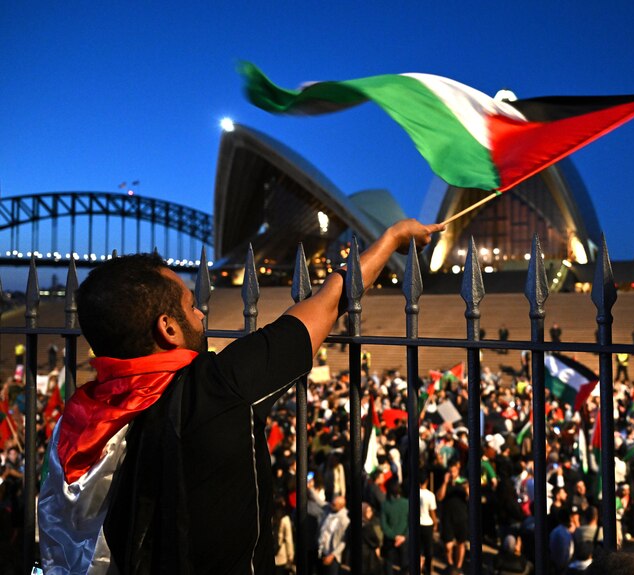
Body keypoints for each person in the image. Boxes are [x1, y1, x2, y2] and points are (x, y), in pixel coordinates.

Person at [37, 219, 441, 573]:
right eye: (192, 306)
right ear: (168, 328)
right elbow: (330, 300)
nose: (202, 315)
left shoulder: (80, 419)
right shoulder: (218, 388)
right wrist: (391, 238)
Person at [318, 495, 350, 575]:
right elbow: (318, 501)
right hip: (322, 551)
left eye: (334, 505)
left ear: (341, 506)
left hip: (332, 556)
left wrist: (332, 555)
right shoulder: (329, 511)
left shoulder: (345, 519)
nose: (331, 505)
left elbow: (343, 541)